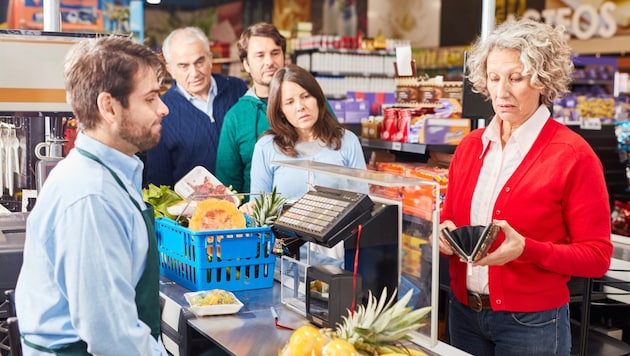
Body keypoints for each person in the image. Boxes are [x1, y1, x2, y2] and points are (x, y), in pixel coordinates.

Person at [437, 19, 613, 356]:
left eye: (516, 78)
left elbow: (596, 257)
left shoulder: (573, 155)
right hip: (462, 314)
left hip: (532, 325)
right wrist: (445, 234)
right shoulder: (470, 146)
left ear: (543, 79)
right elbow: (450, 217)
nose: (501, 92)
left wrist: (527, 249)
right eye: (494, 78)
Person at [15, 36, 169, 355]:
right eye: (151, 98)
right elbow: (112, 336)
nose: (163, 108)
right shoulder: (91, 196)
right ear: (109, 107)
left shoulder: (111, 174)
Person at [249, 64, 366, 263]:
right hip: (284, 258)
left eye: (305, 96)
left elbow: (363, 204)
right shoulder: (266, 147)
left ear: (318, 99)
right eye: (289, 102)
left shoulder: (347, 141)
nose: (300, 106)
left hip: (336, 257)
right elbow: (259, 213)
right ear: (280, 110)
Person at [144, 26, 248, 188]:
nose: (194, 73)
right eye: (183, 66)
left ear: (210, 58)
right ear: (170, 69)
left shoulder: (238, 90)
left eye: (200, 62)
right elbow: (158, 183)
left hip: (246, 203)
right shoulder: (160, 112)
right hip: (192, 210)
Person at [215, 22, 287, 200]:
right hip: (256, 223)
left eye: (275, 53)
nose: (269, 61)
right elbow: (228, 188)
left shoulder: (309, 101)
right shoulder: (236, 117)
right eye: (260, 56)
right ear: (246, 64)